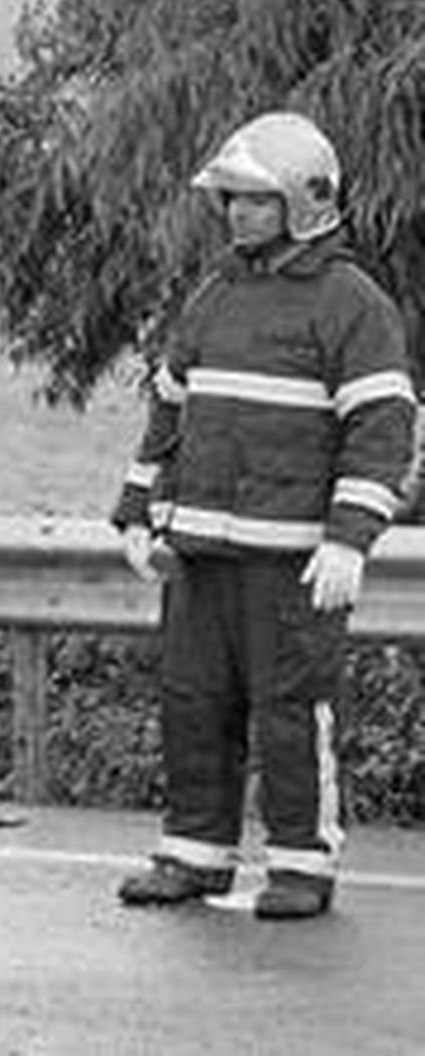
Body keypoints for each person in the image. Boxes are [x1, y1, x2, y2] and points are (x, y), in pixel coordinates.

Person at [110, 111, 416, 921]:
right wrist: (136, 511)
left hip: (292, 563)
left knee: (290, 711)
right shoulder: (215, 293)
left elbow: (383, 431)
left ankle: (300, 865)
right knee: (191, 701)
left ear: (305, 202)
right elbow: (169, 412)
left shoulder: (353, 303)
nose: (237, 213)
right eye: (232, 200)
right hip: (202, 556)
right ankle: (192, 855)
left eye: (255, 199)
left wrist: (351, 538)